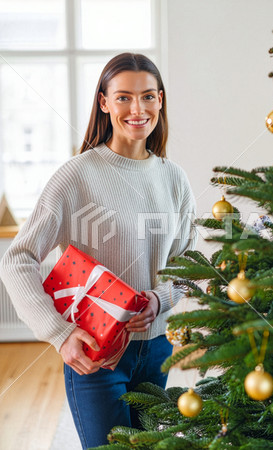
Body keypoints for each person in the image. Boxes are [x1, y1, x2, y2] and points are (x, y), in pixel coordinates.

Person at [0, 53, 197, 449]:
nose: (137, 109)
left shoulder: (174, 177)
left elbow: (189, 262)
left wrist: (160, 300)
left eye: (147, 97)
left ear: (160, 100)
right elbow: (16, 259)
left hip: (157, 348)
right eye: (123, 97)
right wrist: (60, 334)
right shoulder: (76, 174)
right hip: (97, 352)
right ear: (104, 103)